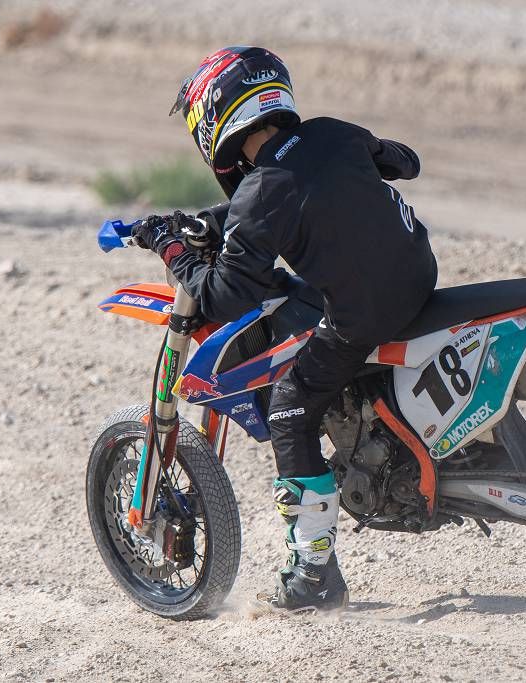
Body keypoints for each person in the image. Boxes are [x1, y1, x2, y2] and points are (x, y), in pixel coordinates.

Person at [131, 46, 437, 611]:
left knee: (292, 409)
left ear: (213, 119)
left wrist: (173, 248)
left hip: (366, 315)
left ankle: (314, 579)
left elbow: (224, 293)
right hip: (420, 280)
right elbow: (403, 162)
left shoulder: (262, 191)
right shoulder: (333, 133)